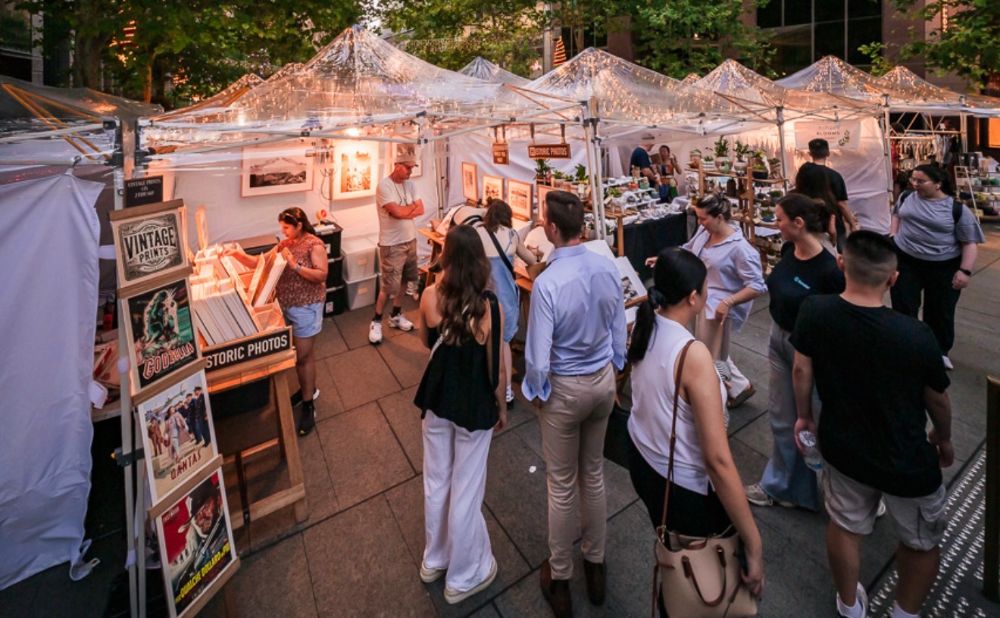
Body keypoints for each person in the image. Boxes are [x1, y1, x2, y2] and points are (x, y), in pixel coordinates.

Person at [791, 231, 954, 618]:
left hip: (843, 444)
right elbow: (937, 399)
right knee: (919, 540)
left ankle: (849, 604)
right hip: (906, 455)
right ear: (893, 279)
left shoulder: (815, 310)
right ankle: (904, 611)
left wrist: (804, 415)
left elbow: (801, 368)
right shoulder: (915, 334)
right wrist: (943, 438)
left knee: (845, 524)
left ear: (841, 263)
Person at [627, 247, 765, 610]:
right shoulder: (692, 355)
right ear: (693, 297)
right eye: (706, 289)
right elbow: (717, 460)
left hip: (646, 463)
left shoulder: (648, 324)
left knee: (672, 550)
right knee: (700, 571)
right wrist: (753, 540)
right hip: (684, 485)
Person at [522, 190, 627, 618]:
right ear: (581, 225)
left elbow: (536, 356)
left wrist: (537, 392)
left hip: (565, 387)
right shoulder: (605, 266)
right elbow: (620, 327)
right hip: (602, 381)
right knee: (595, 474)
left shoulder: (547, 281)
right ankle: (595, 564)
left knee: (562, 484)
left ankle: (561, 576)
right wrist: (614, 369)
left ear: (550, 229)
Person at [413, 225, 507, 605]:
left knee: (436, 479)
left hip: (438, 396)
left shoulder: (430, 295)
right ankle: (464, 574)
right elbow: (497, 366)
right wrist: (501, 405)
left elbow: (425, 342)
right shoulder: (489, 306)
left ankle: (434, 558)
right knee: (467, 486)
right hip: (473, 403)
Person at [744, 195, 844, 510]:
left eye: (779, 219)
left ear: (798, 223)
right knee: (781, 416)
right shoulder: (789, 250)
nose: (776, 225)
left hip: (814, 352)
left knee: (818, 419)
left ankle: (848, 490)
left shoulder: (830, 271)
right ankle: (786, 486)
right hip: (780, 340)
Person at [226, 206, 329, 436]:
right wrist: (238, 254)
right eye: (281, 228)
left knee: (302, 357)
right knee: (304, 355)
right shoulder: (285, 244)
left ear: (299, 225)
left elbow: (322, 275)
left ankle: (308, 404)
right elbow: (261, 262)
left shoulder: (314, 245)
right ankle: (308, 390)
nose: (283, 232)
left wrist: (295, 266)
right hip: (288, 306)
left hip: (306, 307)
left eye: (286, 228)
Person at [890, 164, 984, 370]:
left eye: (921, 181)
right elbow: (897, 214)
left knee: (940, 311)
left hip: (943, 267)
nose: (915, 184)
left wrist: (965, 271)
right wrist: (893, 235)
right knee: (904, 305)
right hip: (906, 261)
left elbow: (969, 242)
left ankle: (938, 351)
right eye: (913, 180)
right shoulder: (906, 197)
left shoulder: (957, 209)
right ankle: (905, 347)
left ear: (938, 184)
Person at [682, 194, 766, 409]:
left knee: (709, 356)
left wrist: (728, 302)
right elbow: (690, 248)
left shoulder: (740, 249)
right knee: (710, 351)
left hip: (717, 310)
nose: (699, 223)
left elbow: (757, 285)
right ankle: (739, 387)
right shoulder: (705, 231)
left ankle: (715, 399)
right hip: (701, 300)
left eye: (703, 218)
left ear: (719, 217)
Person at [475, 199, 540, 403]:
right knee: (504, 344)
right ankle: (507, 392)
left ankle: (485, 383)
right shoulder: (512, 236)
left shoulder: (478, 234)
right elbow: (532, 261)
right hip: (506, 298)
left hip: (482, 297)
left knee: (482, 339)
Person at [370, 154, 424, 345]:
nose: (411, 171)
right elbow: (398, 212)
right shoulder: (384, 186)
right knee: (389, 286)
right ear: (397, 165)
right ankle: (376, 320)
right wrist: (408, 210)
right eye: (408, 168)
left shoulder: (411, 185)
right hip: (392, 244)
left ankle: (395, 314)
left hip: (410, 240)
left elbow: (421, 209)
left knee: (405, 281)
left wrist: (404, 212)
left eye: (412, 168)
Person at [800, 138, 857, 242]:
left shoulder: (804, 171)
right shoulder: (835, 176)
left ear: (810, 153)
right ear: (828, 153)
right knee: (836, 254)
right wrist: (852, 224)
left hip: (808, 222)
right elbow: (842, 204)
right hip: (832, 224)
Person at [792, 162, 842, 253]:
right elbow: (832, 230)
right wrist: (834, 241)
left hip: (797, 246)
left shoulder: (792, 199)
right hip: (823, 246)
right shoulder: (828, 201)